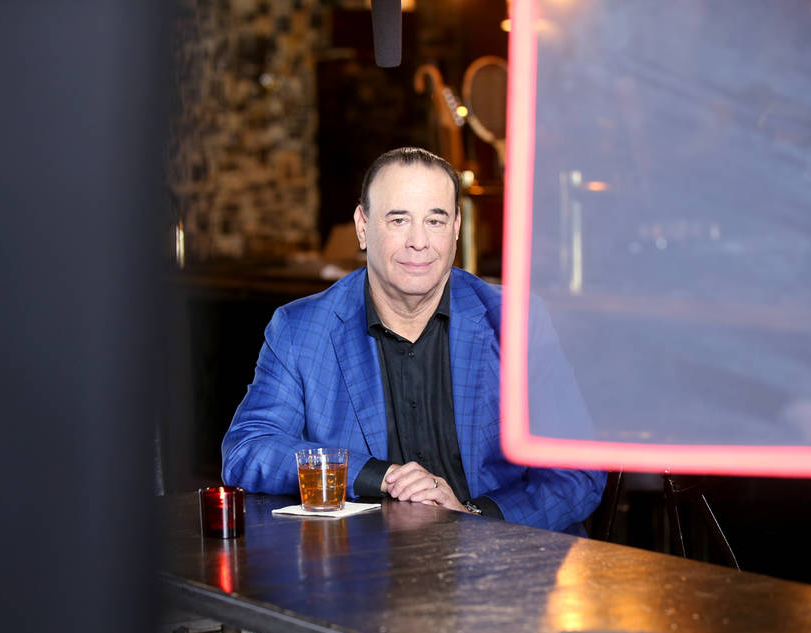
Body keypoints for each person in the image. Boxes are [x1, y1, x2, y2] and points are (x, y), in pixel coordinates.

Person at [222, 147, 604, 533]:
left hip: (499, 558)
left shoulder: (515, 320)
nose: (419, 241)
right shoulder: (301, 328)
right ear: (362, 226)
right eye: (399, 219)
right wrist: (381, 476)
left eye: (435, 221)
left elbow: (577, 472)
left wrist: (473, 517)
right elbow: (248, 450)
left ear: (456, 227)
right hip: (366, 562)